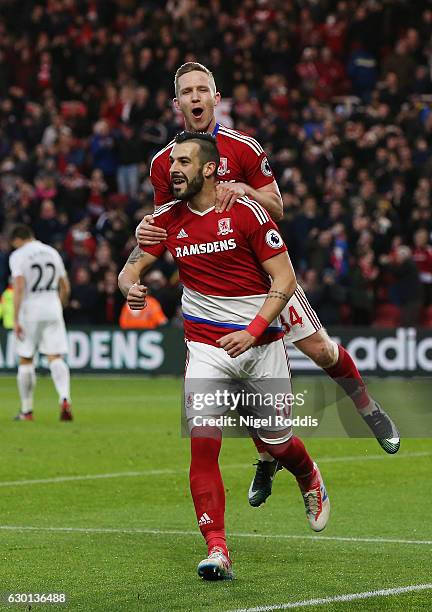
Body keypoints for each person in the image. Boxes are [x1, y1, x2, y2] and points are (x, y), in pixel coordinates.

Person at [135, 62, 400, 506]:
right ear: (176, 102)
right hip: (218, 290)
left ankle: (368, 410)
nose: (196, 98)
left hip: (268, 280)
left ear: (216, 98)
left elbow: (278, 207)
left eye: (203, 89)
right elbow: (169, 221)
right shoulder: (166, 163)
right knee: (237, 377)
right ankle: (268, 455)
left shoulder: (243, 147)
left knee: (322, 351)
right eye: (187, 92)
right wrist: (142, 242)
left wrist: (245, 190)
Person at [119, 132, 330, 580]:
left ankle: (307, 473)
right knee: (203, 446)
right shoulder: (167, 219)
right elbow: (130, 267)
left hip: (261, 345)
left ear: (210, 168)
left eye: (184, 162)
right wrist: (130, 287)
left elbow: (285, 280)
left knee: (277, 442)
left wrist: (253, 332)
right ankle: (217, 550)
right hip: (205, 348)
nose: (173, 169)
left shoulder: (246, 212)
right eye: (172, 162)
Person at [9, 224, 73, 421]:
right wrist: (58, 307)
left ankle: (27, 411)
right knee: (55, 357)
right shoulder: (52, 252)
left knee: (26, 358)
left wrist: (16, 317)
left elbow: (19, 287)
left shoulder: (18, 255)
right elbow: (66, 287)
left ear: (17, 240)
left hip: (30, 310)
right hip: (52, 307)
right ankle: (64, 397)